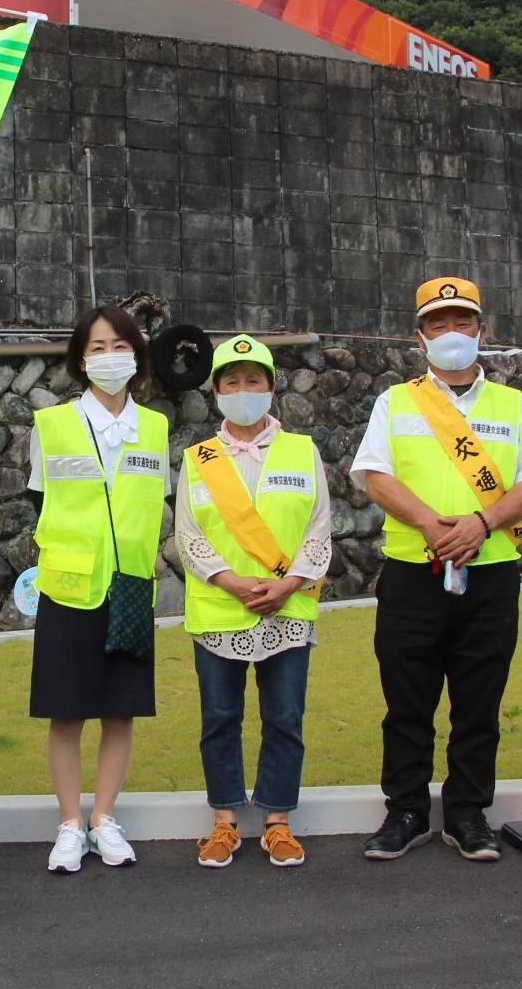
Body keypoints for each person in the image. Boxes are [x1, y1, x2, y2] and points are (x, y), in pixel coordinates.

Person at [350, 277, 522, 863]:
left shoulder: (515, 407)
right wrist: (433, 525)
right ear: (421, 337)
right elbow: (376, 476)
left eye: (462, 322)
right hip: (414, 570)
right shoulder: (396, 401)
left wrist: (481, 523)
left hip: (489, 573)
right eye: (438, 324)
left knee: (479, 700)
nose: (451, 334)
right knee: (407, 699)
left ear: (481, 332)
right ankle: (407, 811)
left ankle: (468, 812)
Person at [178, 335, 332, 869]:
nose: (244, 390)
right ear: (216, 391)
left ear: (271, 386)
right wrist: (231, 581)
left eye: (254, 380)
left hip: (286, 607)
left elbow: (319, 527)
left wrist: (289, 584)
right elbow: (188, 533)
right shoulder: (198, 459)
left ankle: (278, 821)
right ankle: (224, 822)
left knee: (285, 716)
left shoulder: (302, 450)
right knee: (220, 717)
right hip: (220, 608)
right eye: (232, 381)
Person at [28, 305, 169, 873]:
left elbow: (151, 503)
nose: (110, 357)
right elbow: (42, 499)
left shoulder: (155, 427)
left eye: (120, 346)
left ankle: (105, 817)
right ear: (81, 361)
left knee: (120, 710)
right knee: (67, 713)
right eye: (98, 347)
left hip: (130, 584)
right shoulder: (53, 425)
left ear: (136, 355)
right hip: (68, 587)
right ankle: (69, 823)